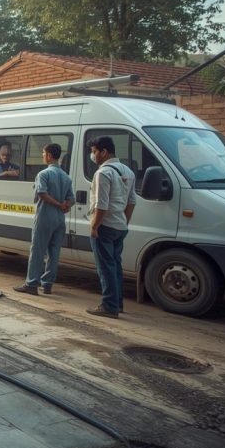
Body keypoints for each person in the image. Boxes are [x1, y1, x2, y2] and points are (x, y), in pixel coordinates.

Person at [85, 136, 136, 319]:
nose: (93, 156)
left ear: (104, 152)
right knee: (115, 266)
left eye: (94, 152)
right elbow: (132, 201)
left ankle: (109, 306)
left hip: (104, 227)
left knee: (105, 267)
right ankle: (117, 303)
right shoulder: (128, 171)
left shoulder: (103, 173)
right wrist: (124, 221)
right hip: (120, 226)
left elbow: (101, 204)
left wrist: (94, 226)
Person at [13, 143, 74, 295]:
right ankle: (47, 285)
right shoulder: (66, 176)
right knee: (54, 252)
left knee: (37, 250)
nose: (42, 155)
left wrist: (58, 204)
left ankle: (32, 283)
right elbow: (71, 199)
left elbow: (41, 193)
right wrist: (65, 206)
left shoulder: (44, 174)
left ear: (49, 155)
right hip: (60, 219)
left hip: (45, 215)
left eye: (43, 153)